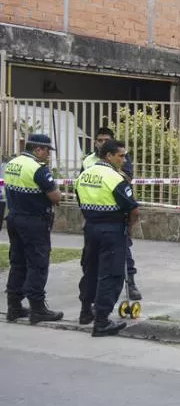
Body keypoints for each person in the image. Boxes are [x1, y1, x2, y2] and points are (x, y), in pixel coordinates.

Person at [75, 139, 139, 336]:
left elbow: (79, 200)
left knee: (91, 270)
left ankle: (86, 311)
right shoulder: (115, 178)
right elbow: (133, 209)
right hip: (111, 230)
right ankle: (101, 321)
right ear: (109, 156)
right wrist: (129, 227)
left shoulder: (85, 175)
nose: (124, 159)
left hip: (91, 228)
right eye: (120, 155)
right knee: (110, 275)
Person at [3, 133, 63, 323]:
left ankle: (14, 306)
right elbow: (55, 197)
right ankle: (37, 308)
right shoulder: (38, 169)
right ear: (38, 149)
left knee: (18, 261)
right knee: (38, 262)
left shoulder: (13, 163)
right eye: (47, 151)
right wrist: (57, 193)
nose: (48, 155)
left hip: (13, 217)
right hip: (34, 221)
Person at [83, 126, 141, 301]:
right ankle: (98, 312)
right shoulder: (87, 161)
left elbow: (127, 178)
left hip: (116, 211)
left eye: (106, 140)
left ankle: (130, 282)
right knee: (95, 264)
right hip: (97, 218)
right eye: (99, 140)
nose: (102, 143)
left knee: (123, 254)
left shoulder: (121, 159)